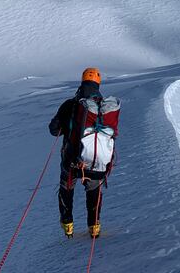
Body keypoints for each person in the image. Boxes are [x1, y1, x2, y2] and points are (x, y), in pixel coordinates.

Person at [48, 67, 116, 239]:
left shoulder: (70, 105)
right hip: (97, 162)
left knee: (66, 189)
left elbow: (54, 130)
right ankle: (94, 228)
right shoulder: (104, 108)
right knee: (94, 192)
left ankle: (68, 226)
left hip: (71, 160)